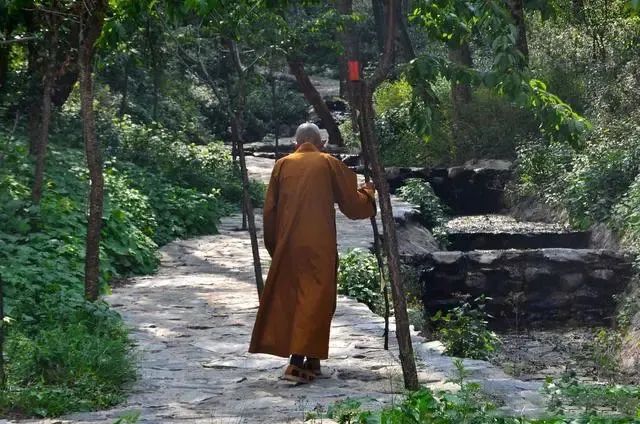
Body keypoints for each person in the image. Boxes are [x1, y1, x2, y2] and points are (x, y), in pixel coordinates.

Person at [249, 122, 376, 384]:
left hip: (288, 244)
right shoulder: (327, 162)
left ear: (295, 144)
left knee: (298, 299)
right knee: (316, 300)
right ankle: (296, 363)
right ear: (322, 144)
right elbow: (353, 206)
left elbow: (269, 213)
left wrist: (275, 247)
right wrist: (369, 194)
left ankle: (313, 360)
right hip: (319, 245)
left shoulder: (281, 165)